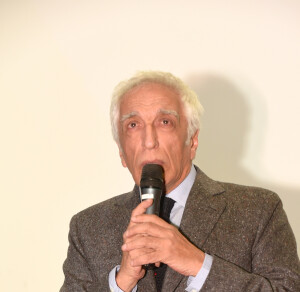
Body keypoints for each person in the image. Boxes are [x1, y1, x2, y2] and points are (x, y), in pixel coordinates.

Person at [60, 71, 300, 292]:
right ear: (122, 152)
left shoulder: (259, 210)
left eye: (165, 122)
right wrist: (121, 282)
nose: (149, 141)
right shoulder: (87, 228)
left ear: (192, 141)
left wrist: (198, 264)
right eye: (133, 125)